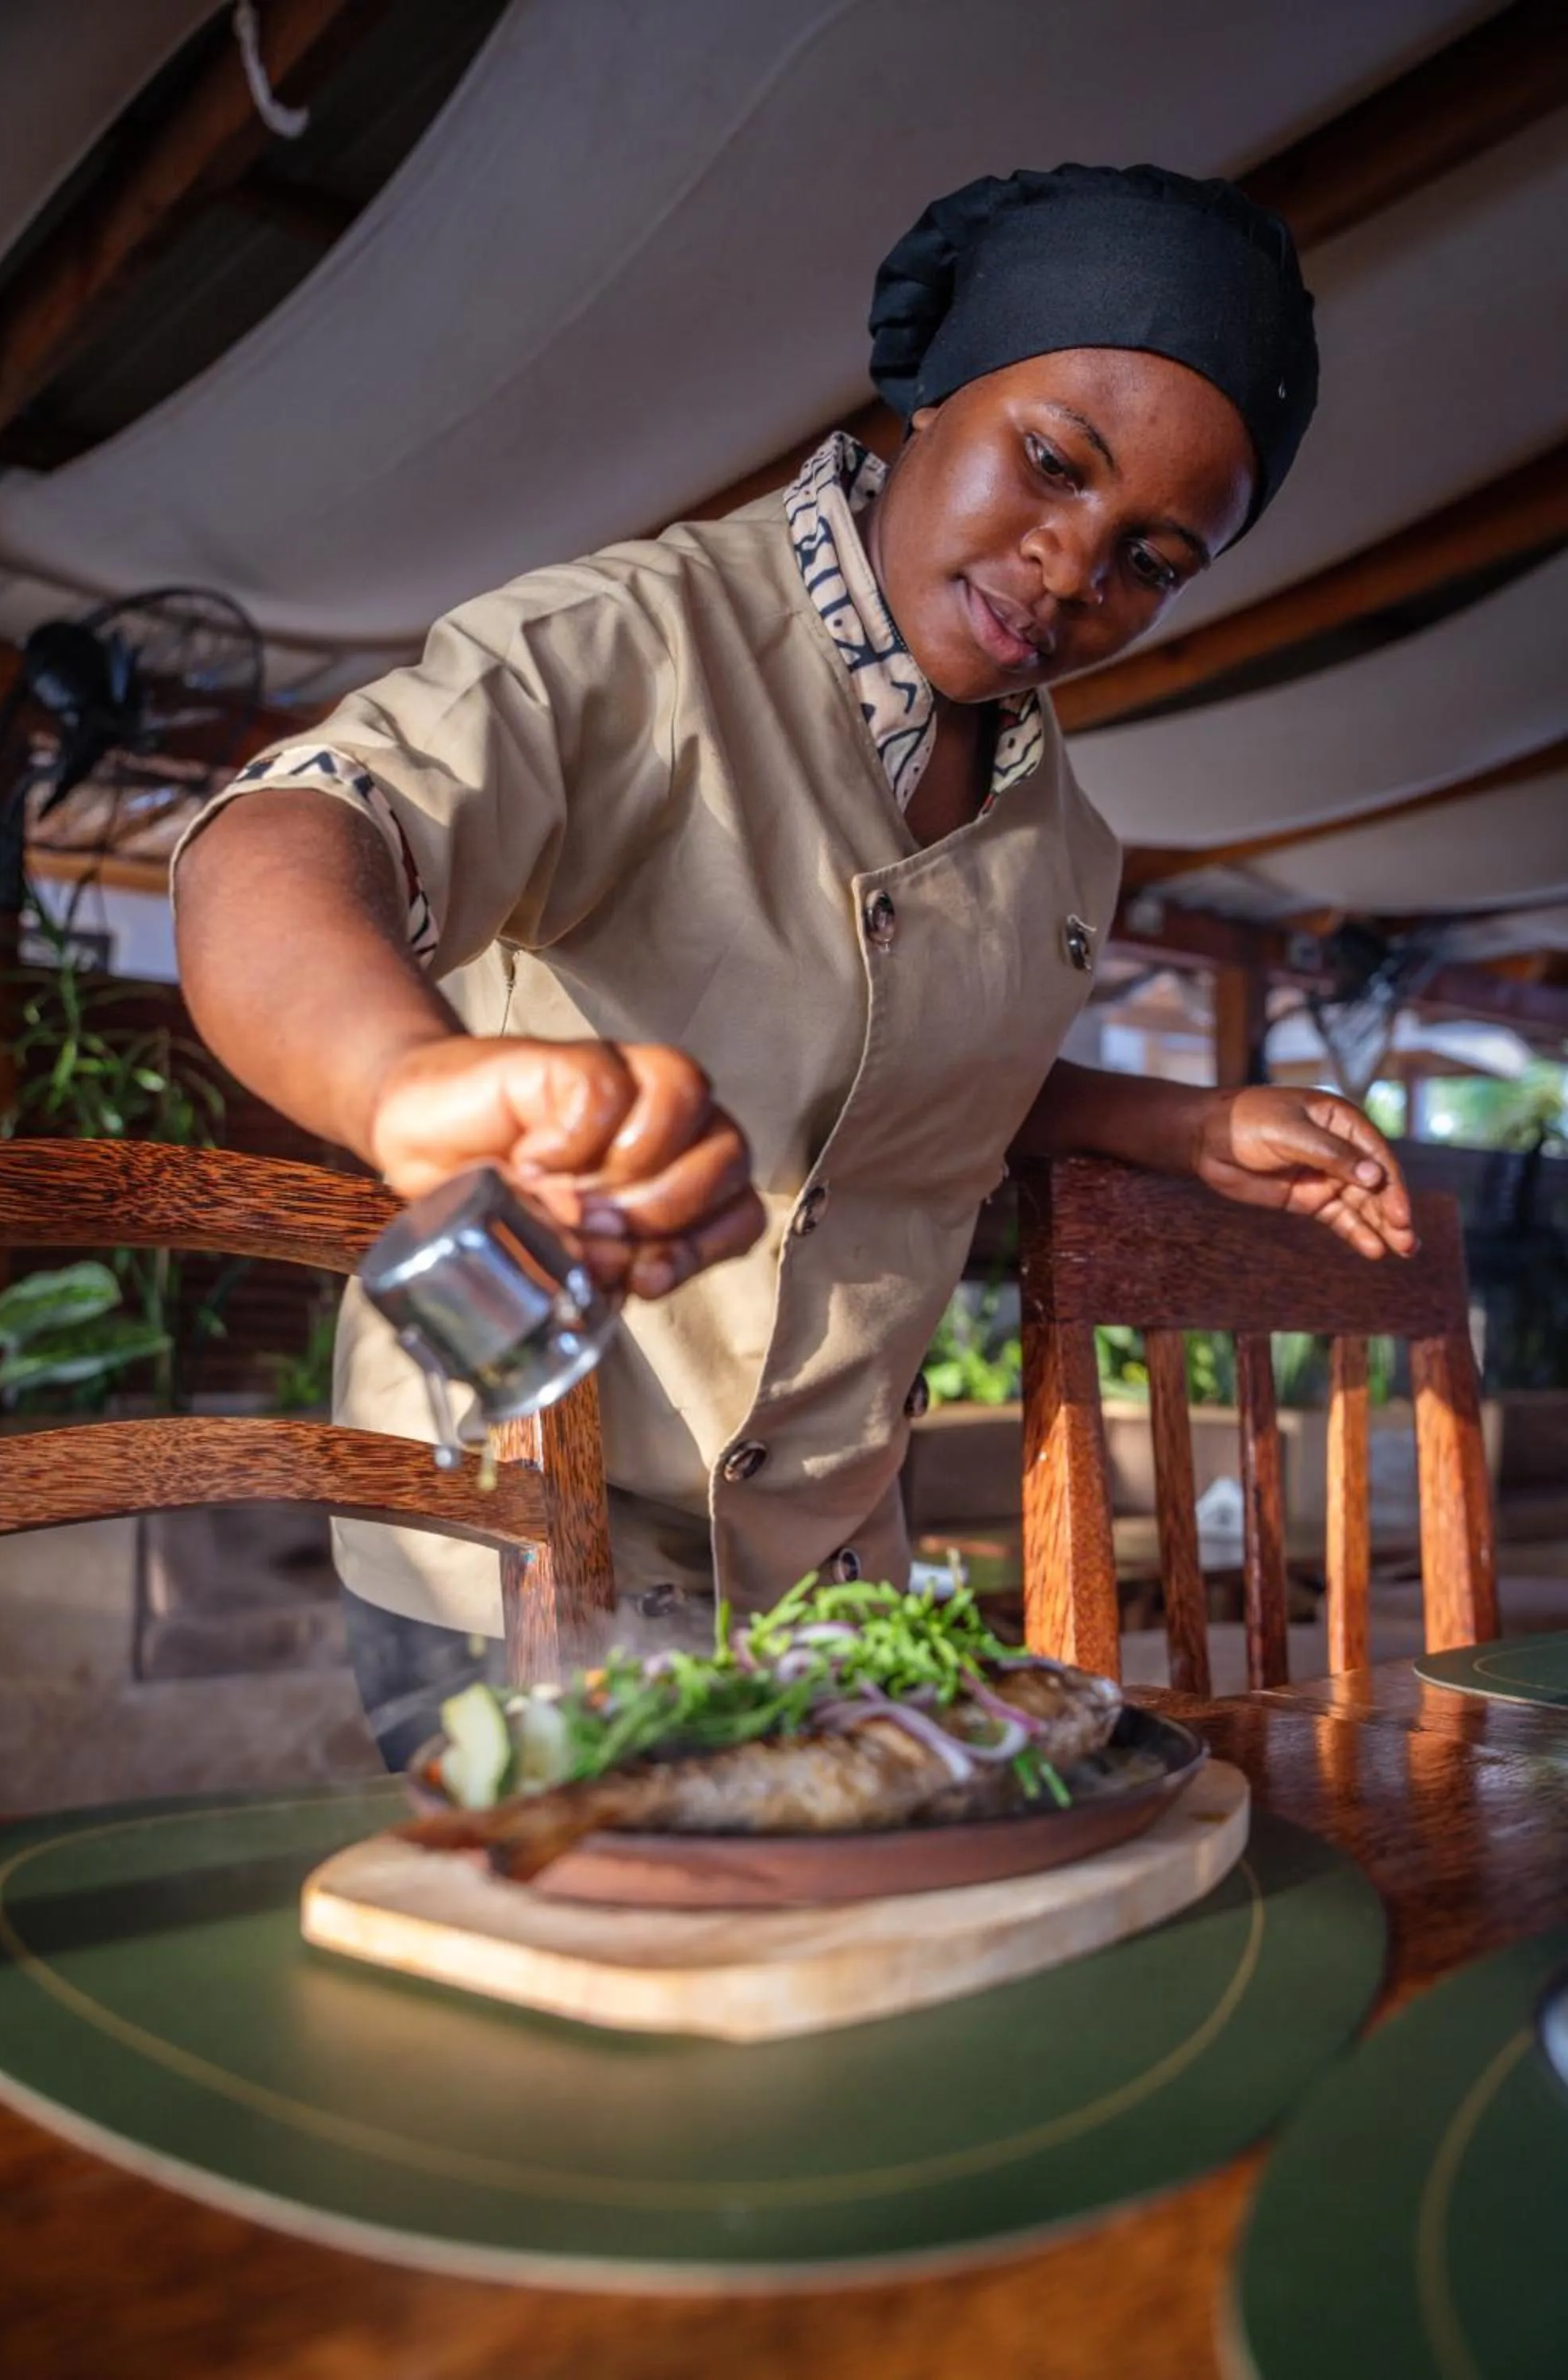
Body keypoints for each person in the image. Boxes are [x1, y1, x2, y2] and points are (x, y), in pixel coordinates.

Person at [174, 163, 1413, 1764]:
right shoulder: (633, 645)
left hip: (825, 1563)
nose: (1068, 568)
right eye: (1049, 462)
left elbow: (908, 1080)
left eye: (1150, 558)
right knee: (622, 1958)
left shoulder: (1065, 839)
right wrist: (401, 1081)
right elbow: (287, 841)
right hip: (520, 1523)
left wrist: (1180, 1126)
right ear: (933, 385)